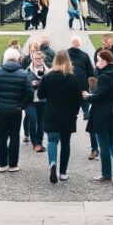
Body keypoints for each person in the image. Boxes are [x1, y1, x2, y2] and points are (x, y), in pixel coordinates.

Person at [0, 48, 33, 172]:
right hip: (15, 110)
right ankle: (12, 164)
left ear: (5, 59)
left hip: (0, 110)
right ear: (18, 59)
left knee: (1, 137)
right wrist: (21, 106)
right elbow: (30, 94)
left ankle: (1, 164)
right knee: (14, 137)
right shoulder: (23, 74)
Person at [38, 50, 83, 183]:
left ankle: (52, 163)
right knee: (65, 143)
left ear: (55, 60)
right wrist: (75, 112)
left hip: (51, 112)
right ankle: (63, 172)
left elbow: (41, 95)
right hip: (67, 114)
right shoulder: (72, 78)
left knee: (52, 140)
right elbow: (78, 98)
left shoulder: (48, 77)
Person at [84, 50, 113, 184]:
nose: (96, 63)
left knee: (104, 145)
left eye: (98, 60)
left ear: (104, 62)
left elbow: (99, 96)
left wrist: (87, 97)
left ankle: (106, 174)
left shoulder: (104, 77)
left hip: (102, 114)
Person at [67, 36, 100, 160]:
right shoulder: (84, 56)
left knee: (68, 119)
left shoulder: (65, 54)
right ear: (79, 45)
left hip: (72, 91)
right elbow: (91, 72)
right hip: (82, 90)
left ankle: (65, 145)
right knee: (90, 120)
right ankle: (94, 148)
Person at [24, 49, 48, 152]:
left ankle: (39, 142)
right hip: (30, 101)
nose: (38, 60)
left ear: (43, 59)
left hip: (42, 100)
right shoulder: (27, 71)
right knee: (33, 119)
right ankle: (35, 144)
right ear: (32, 59)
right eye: (36, 59)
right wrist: (31, 84)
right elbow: (23, 86)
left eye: (40, 58)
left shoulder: (47, 71)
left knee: (41, 122)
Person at [20, 40, 42, 143]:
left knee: (37, 118)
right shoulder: (26, 60)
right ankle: (26, 133)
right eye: (33, 49)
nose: (34, 51)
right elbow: (22, 72)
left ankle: (38, 140)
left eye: (37, 49)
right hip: (29, 96)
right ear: (29, 50)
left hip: (40, 97)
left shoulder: (42, 62)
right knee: (29, 116)